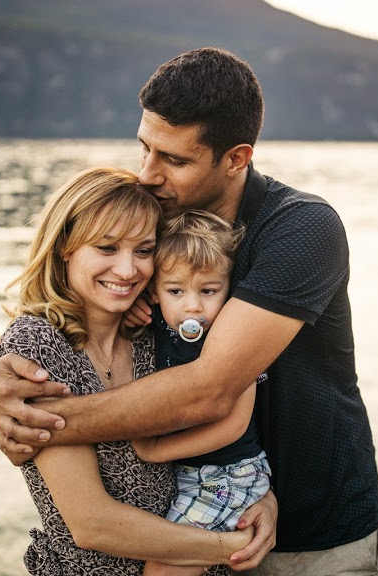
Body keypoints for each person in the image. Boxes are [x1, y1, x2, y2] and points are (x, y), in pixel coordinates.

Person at [0, 47, 378, 575]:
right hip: (192, 529)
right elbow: (57, 314)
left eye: (175, 160)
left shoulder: (301, 230)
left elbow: (208, 391)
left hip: (311, 537)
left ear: (236, 158)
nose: (147, 174)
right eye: (145, 148)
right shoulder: (158, 227)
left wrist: (32, 421)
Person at [0, 166, 254, 574]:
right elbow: (92, 525)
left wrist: (256, 497)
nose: (127, 270)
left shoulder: (153, 336)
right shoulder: (37, 347)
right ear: (65, 247)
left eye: (144, 250)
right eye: (107, 248)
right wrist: (231, 546)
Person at [131, 210, 271, 576]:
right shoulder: (159, 321)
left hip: (227, 476)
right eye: (176, 291)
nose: (192, 306)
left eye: (209, 291)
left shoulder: (232, 337)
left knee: (162, 568)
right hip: (192, 474)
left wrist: (158, 451)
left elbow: (234, 425)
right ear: (154, 291)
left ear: (229, 288)